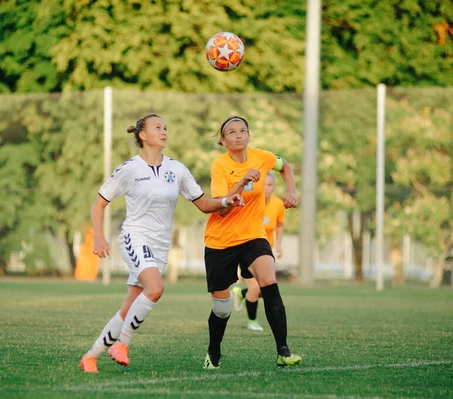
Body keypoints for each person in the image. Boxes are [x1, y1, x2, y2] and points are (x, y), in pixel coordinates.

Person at [79, 114, 243, 372]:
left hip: (159, 247)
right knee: (155, 288)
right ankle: (122, 343)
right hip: (135, 237)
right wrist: (98, 237)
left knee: (128, 309)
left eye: (166, 127)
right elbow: (99, 204)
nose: (164, 131)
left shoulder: (177, 169)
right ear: (143, 135)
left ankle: (90, 356)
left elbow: (203, 204)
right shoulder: (129, 169)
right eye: (158, 127)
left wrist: (225, 202)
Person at [202, 115, 302, 369]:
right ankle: (213, 352)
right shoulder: (219, 166)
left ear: (249, 135)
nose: (238, 135)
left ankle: (283, 351)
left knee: (268, 280)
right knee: (222, 310)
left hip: (253, 237)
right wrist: (242, 182)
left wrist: (291, 189)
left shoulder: (263, 157)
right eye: (232, 132)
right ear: (223, 140)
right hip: (220, 241)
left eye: (243, 130)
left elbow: (284, 165)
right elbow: (221, 208)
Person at [231, 172, 285, 331]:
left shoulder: (278, 204)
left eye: (270, 185)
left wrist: (279, 244)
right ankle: (252, 321)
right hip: (248, 250)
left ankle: (241, 294)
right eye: (264, 185)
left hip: (266, 253)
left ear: (274, 188)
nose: (267, 188)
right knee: (255, 289)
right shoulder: (250, 202)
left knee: (266, 289)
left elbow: (280, 224)